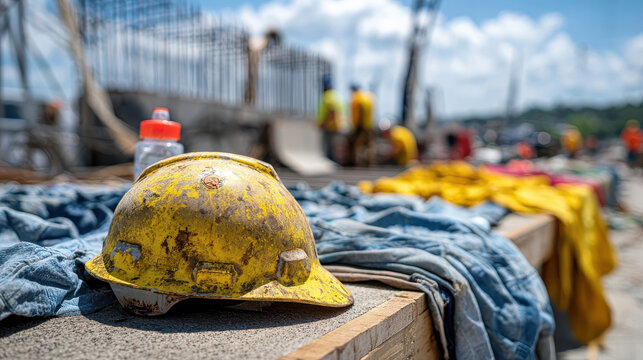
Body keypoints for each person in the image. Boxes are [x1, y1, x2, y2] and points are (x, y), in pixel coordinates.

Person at [348, 83, 375, 167]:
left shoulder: (356, 98)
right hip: (370, 125)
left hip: (360, 126)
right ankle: (370, 164)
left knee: (356, 145)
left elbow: (356, 115)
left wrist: (354, 127)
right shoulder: (369, 96)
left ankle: (356, 164)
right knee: (369, 145)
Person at [316, 75, 342, 162]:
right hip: (334, 126)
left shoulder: (328, 96)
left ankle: (331, 166)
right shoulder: (334, 95)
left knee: (329, 150)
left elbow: (332, 113)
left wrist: (324, 124)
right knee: (332, 149)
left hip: (329, 127)